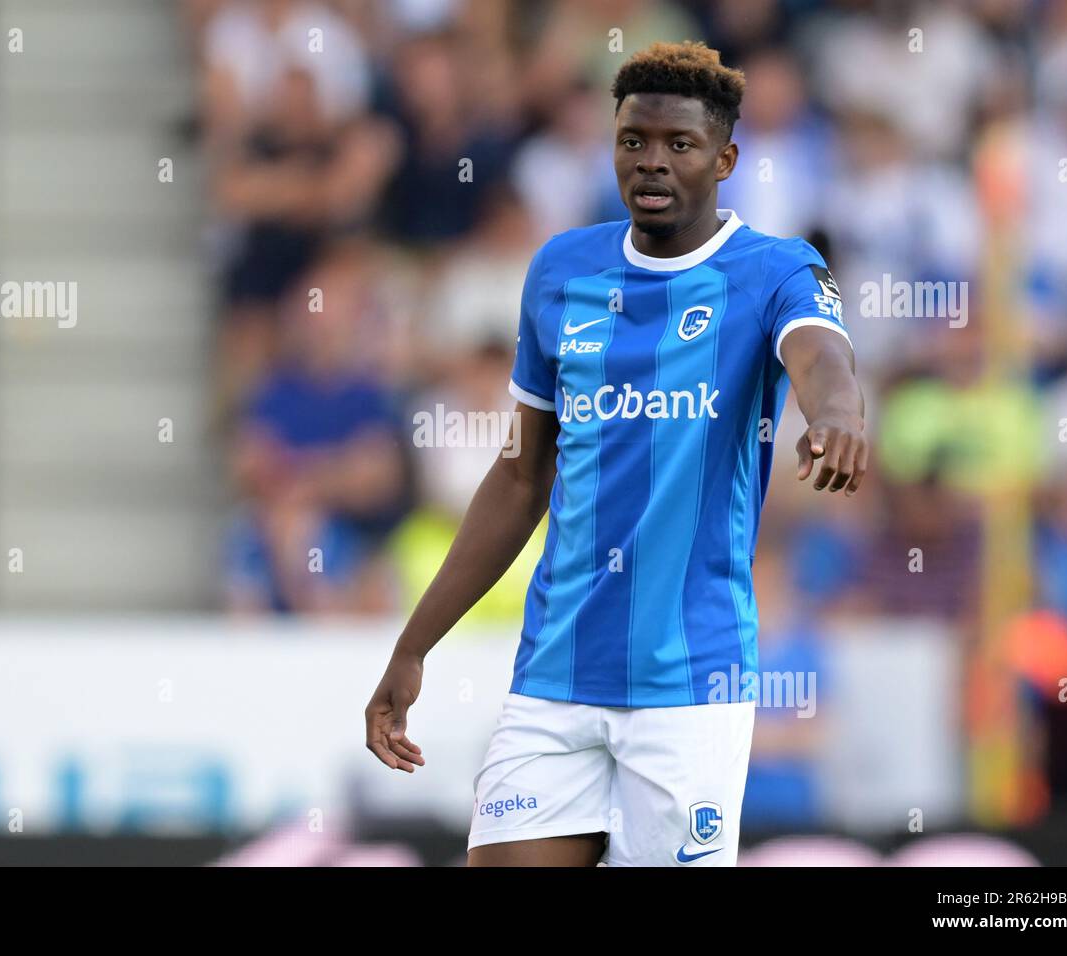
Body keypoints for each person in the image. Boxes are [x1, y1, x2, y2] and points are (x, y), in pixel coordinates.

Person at [364, 41, 867, 867]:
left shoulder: (777, 271)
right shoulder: (562, 272)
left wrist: (838, 415)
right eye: (635, 141)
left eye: (680, 145)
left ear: (726, 157)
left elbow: (822, 359)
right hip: (554, 676)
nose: (653, 163)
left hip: (689, 688)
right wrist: (414, 644)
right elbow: (521, 474)